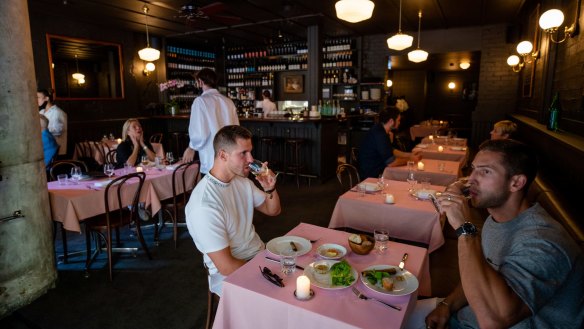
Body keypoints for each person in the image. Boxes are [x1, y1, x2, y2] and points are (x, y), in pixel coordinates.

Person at [425, 139, 584, 329]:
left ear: (516, 182)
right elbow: (482, 272)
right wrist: (447, 305)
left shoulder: (543, 241)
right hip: (464, 317)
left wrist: (464, 228)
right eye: (473, 169)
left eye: (485, 171)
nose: (471, 179)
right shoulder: (496, 219)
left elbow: (493, 321)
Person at [185, 125, 281, 296]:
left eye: (250, 152)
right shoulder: (204, 205)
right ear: (223, 155)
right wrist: (268, 271)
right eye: (243, 153)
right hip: (229, 275)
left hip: (258, 255)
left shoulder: (241, 181)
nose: (251, 159)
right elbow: (227, 266)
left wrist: (270, 189)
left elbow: (273, 211)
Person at [183, 68, 239, 175]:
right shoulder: (228, 101)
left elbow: (200, 134)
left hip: (211, 155)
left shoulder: (200, 101)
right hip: (229, 153)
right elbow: (236, 129)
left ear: (200, 81)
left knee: (212, 189)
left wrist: (191, 147)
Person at [358, 107, 421, 179]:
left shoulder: (380, 129)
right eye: (398, 120)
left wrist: (409, 155)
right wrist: (411, 160)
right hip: (372, 176)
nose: (399, 123)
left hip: (377, 171)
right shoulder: (380, 134)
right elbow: (391, 163)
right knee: (408, 178)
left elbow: (391, 150)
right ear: (391, 121)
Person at [38, 89, 67, 155]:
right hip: (43, 148)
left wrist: (42, 129)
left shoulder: (57, 112)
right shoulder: (41, 112)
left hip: (56, 151)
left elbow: (57, 131)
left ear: (47, 98)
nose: (36, 99)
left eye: (38, 97)